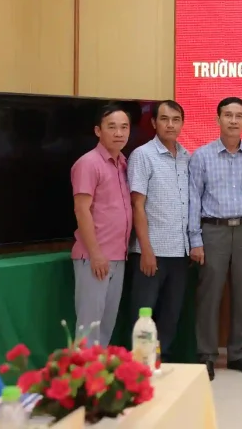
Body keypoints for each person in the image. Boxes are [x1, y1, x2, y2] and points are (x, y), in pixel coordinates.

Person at [188, 97, 242, 381]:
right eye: (228, 115)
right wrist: (195, 239)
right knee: (209, 294)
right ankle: (206, 355)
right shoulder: (202, 156)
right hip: (213, 231)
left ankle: (238, 353)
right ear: (218, 119)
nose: (233, 120)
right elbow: (193, 200)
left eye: (239, 116)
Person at [127, 100, 190, 363]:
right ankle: (138, 368)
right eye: (164, 119)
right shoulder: (142, 155)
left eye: (176, 120)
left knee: (170, 316)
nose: (170, 125)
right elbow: (137, 205)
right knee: (143, 315)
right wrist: (145, 249)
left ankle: (163, 364)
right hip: (151, 251)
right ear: (154, 123)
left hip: (180, 251)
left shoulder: (186, 156)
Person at [71, 103, 132, 347]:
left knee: (106, 326)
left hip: (118, 256)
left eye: (124, 127)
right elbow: (81, 210)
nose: (119, 133)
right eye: (112, 127)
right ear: (98, 130)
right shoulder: (88, 163)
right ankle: (82, 372)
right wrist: (95, 253)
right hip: (94, 257)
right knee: (89, 328)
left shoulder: (123, 163)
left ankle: (99, 371)